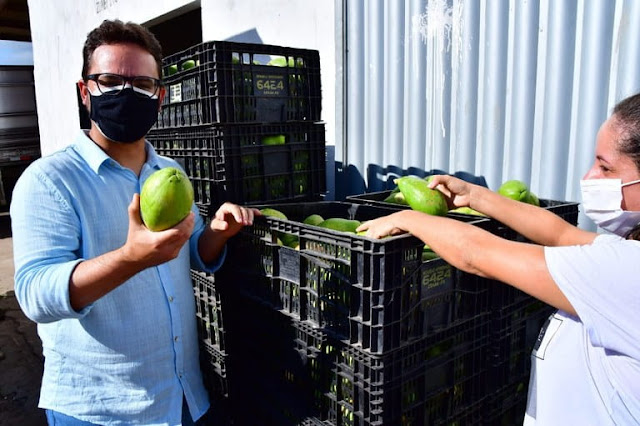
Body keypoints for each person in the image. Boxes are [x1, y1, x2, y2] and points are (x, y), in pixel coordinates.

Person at [10, 19, 259, 425]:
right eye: (110, 80)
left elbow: (192, 252)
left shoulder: (169, 172)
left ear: (160, 97)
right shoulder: (48, 181)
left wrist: (216, 231)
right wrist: (130, 258)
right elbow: (36, 295)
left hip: (182, 395)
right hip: (102, 410)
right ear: (85, 92)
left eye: (142, 84)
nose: (127, 93)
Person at [357, 93, 640, 425]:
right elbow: (562, 236)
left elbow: (478, 255)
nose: (590, 177)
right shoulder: (624, 256)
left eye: (605, 167)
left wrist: (410, 219)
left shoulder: (626, 272)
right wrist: (474, 196)